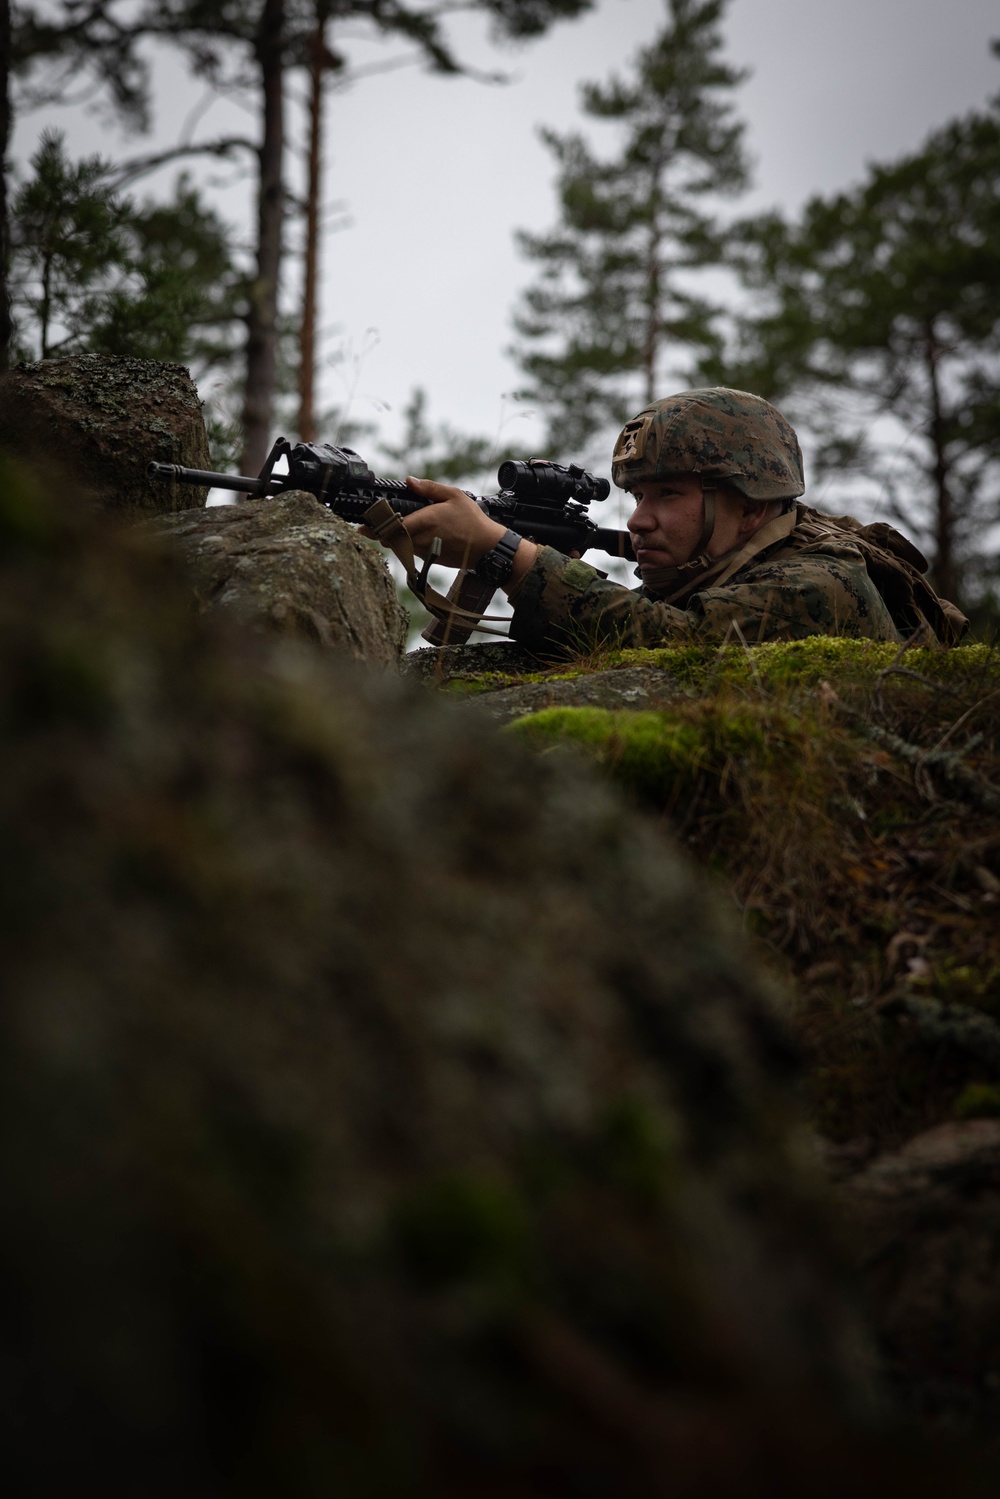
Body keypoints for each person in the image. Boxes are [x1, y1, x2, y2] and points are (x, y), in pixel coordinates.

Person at [375, 387, 967, 652]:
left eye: (668, 495)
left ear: (751, 505)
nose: (640, 521)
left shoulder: (822, 584)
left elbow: (675, 645)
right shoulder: (708, 578)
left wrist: (505, 553)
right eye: (636, 497)